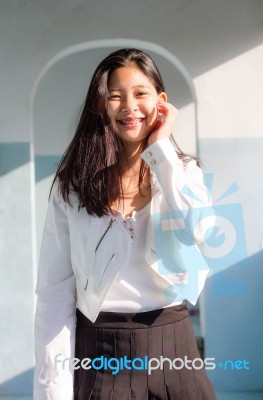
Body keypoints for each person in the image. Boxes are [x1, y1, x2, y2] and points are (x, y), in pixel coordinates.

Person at [33, 48, 216, 400]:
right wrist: (51, 392)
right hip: (101, 354)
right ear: (101, 106)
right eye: (115, 96)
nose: (129, 106)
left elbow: (200, 230)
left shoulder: (184, 173)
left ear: (161, 102)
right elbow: (54, 293)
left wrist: (161, 149)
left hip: (174, 346)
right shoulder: (71, 187)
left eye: (141, 93)